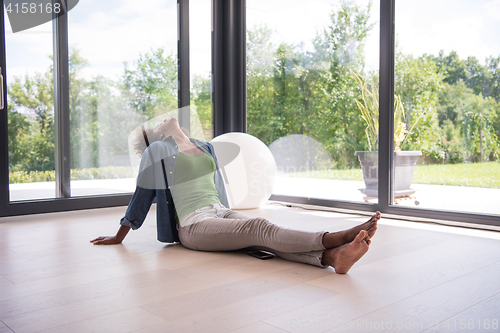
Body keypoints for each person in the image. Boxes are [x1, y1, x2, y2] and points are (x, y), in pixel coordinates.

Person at [91, 117, 380, 274]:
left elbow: (219, 188)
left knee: (261, 238)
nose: (163, 119)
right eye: (155, 125)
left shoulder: (205, 147)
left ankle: (332, 258)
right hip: (194, 225)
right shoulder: (159, 151)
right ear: (156, 137)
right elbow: (141, 196)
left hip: (219, 212)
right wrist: (120, 236)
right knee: (259, 226)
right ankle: (334, 238)